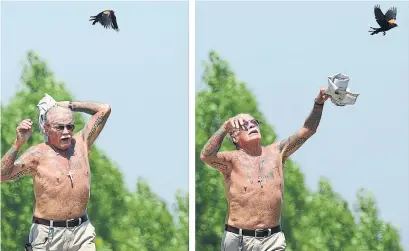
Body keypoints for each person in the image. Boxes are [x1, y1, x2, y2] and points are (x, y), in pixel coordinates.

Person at [200, 87, 330, 251]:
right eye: (245, 125)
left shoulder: (276, 152)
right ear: (234, 137)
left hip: (272, 240)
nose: (252, 126)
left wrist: (319, 103)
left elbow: (308, 130)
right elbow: (206, 155)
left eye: (254, 123)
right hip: (238, 241)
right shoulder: (231, 160)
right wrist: (225, 127)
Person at [1, 95, 111, 251]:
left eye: (70, 126)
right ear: (46, 128)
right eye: (60, 127)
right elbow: (2, 175)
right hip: (48, 236)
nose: (66, 132)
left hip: (81, 232)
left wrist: (68, 105)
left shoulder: (81, 143)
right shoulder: (37, 155)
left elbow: (104, 109)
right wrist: (18, 144)